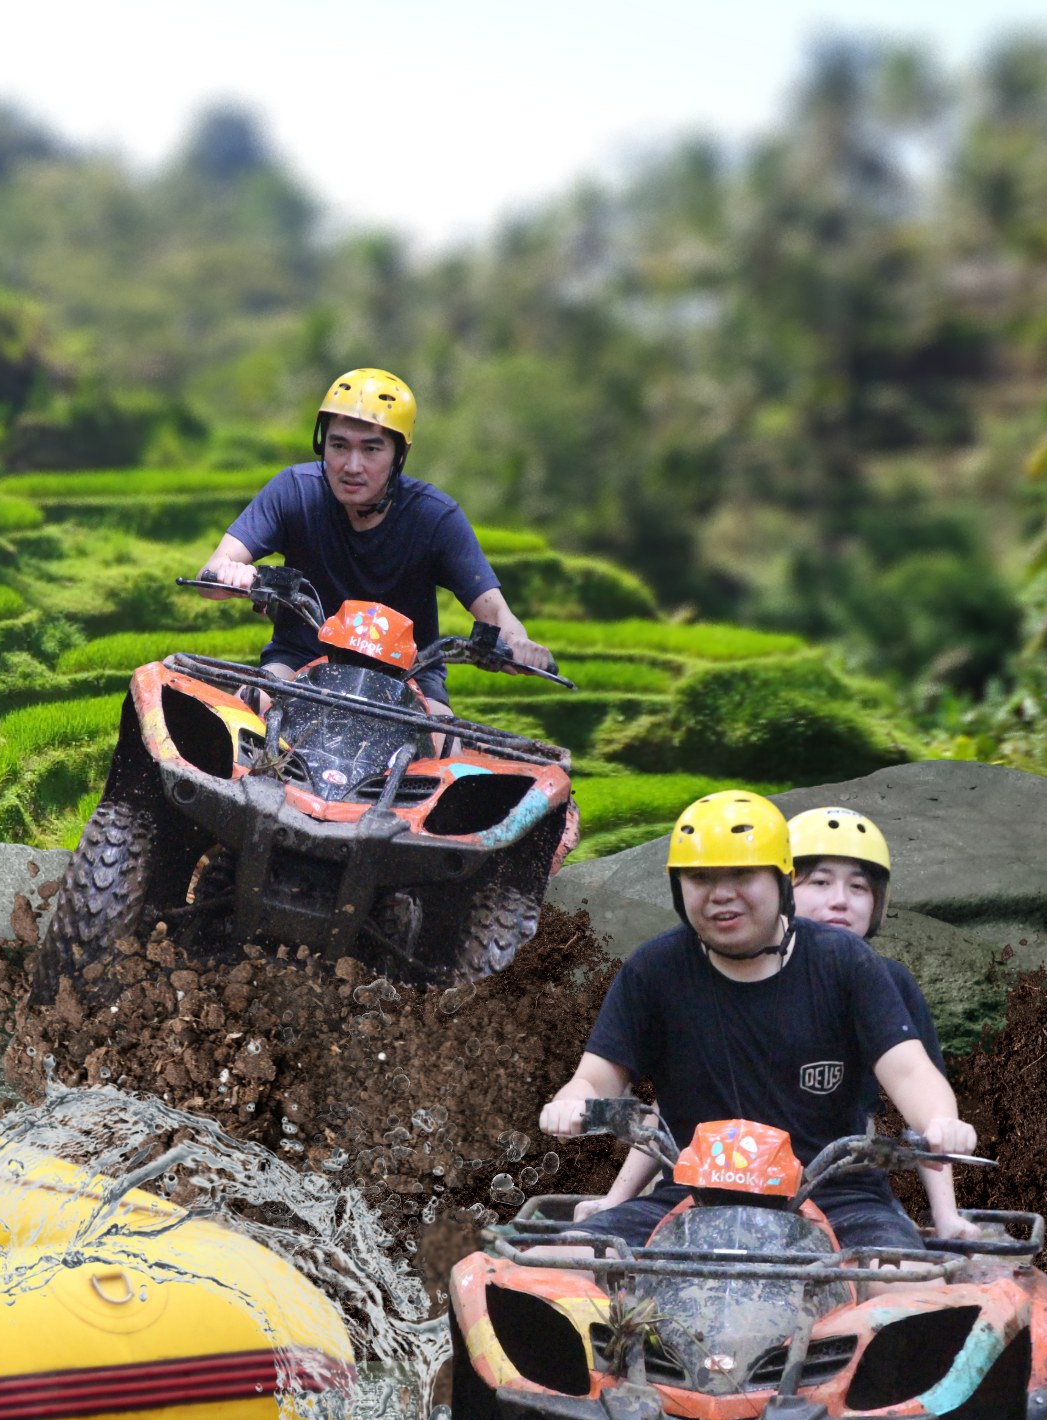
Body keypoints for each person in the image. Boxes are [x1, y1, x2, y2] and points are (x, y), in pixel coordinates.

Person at [539, 790, 977, 1256]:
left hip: (838, 1198)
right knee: (553, 1264)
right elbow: (597, 1075)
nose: (721, 893)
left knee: (905, 1284)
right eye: (701, 877)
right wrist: (573, 1100)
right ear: (678, 887)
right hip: (692, 1197)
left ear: (781, 881)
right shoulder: (654, 969)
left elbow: (910, 1071)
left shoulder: (845, 962)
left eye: (743, 874)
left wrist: (940, 1122)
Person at [195, 367, 552, 719]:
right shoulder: (293, 491)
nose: (352, 465)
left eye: (371, 449)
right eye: (339, 445)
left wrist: (519, 646)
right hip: (298, 665)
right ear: (323, 443)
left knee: (445, 750)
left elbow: (498, 615)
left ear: (399, 455)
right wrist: (230, 575)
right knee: (248, 711)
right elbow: (210, 575)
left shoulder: (435, 518)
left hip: (409, 679)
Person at [787, 803, 964, 1229]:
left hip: (845, 1189)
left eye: (859, 888)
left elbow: (922, 1111)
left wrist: (947, 1216)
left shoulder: (888, 982)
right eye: (820, 882)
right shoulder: (732, 972)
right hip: (728, 1181)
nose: (840, 902)